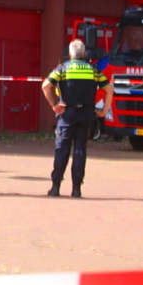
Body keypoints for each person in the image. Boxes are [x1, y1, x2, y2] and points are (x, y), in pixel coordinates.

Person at [41, 39, 114, 198]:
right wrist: (103, 111)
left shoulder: (62, 69)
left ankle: (55, 187)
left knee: (62, 150)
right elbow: (109, 90)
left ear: (69, 54)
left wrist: (54, 104)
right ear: (84, 54)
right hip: (86, 114)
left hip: (67, 114)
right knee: (80, 151)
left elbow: (45, 86)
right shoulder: (93, 70)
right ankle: (76, 189)